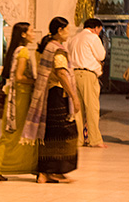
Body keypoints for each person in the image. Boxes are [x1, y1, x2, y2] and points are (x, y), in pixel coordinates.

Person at [21, 17, 81, 184]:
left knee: (50, 133)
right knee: (65, 133)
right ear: (59, 30)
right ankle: (50, 171)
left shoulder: (47, 47)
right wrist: (74, 97)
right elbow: (61, 73)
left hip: (50, 95)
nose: (68, 33)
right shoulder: (57, 50)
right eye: (67, 29)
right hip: (56, 95)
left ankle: (50, 171)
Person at [0, 22, 38, 181]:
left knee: (14, 133)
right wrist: (35, 81)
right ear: (23, 34)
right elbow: (19, 77)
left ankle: (4, 167)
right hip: (20, 96)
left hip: (17, 95)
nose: (33, 33)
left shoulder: (15, 50)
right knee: (13, 133)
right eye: (31, 31)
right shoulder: (23, 52)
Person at [67, 18, 106, 148]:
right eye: (99, 31)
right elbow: (101, 55)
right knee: (92, 108)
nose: (99, 33)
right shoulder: (93, 38)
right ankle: (94, 140)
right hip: (88, 75)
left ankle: (78, 139)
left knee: (78, 109)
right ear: (96, 28)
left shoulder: (74, 38)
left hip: (74, 75)